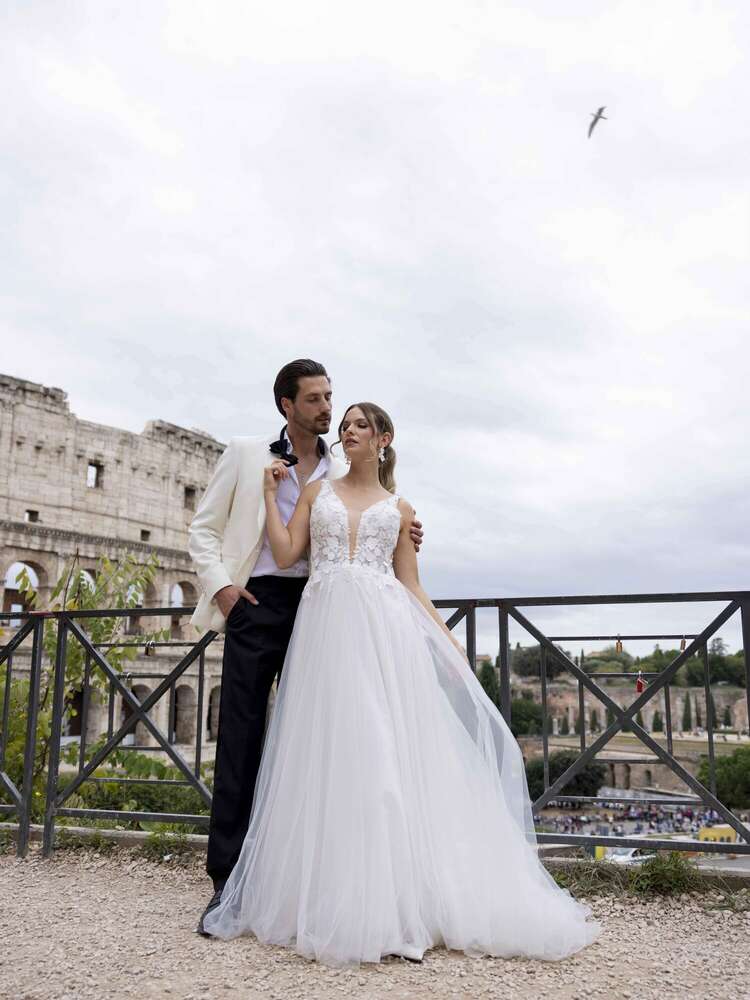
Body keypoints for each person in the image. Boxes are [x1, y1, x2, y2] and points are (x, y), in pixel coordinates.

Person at [202, 401, 600, 964]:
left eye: (359, 425)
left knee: (383, 747)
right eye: (345, 425)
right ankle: (324, 892)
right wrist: (269, 496)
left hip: (382, 634)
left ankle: (393, 900)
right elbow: (287, 553)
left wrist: (448, 641)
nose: (348, 431)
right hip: (324, 634)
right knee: (329, 752)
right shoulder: (315, 492)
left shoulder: (401, 509)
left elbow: (410, 583)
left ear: (384, 438)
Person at [188, 361, 423, 935]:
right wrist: (222, 590)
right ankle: (227, 883)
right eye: (315, 399)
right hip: (255, 602)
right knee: (241, 739)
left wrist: (405, 531)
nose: (326, 408)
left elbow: (368, 512)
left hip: (326, 608)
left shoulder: (340, 468)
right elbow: (204, 529)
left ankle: (312, 881)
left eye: (329, 397)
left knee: (325, 742)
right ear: (286, 405)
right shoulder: (246, 453)